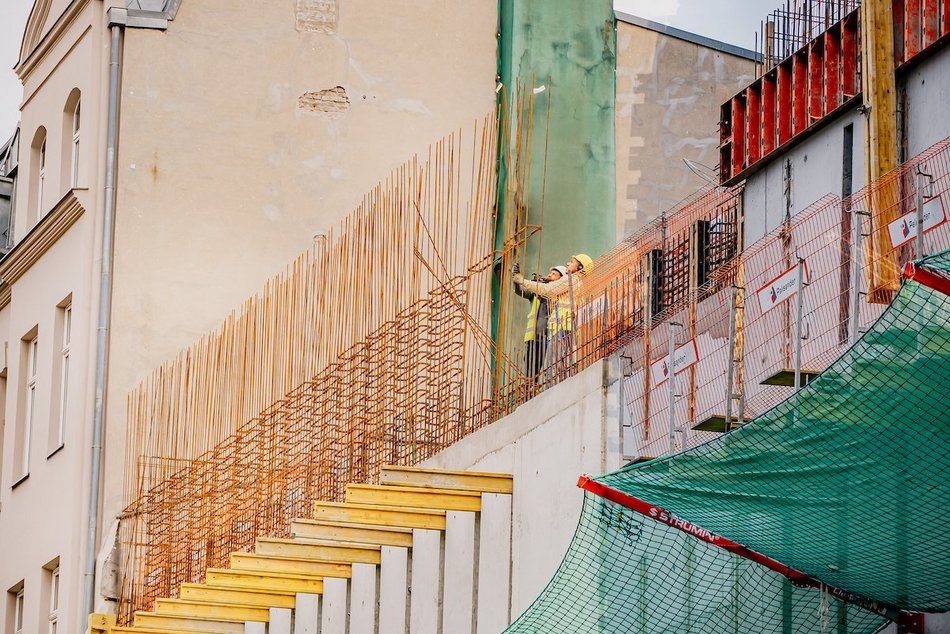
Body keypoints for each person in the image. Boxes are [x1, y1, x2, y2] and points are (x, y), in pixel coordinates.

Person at [512, 254, 594, 378]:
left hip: (561, 329)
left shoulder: (570, 279)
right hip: (563, 329)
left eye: (572, 262)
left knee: (552, 369)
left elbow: (548, 290)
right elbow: (547, 290)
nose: (568, 263)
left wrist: (523, 281)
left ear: (579, 267)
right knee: (557, 367)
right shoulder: (577, 283)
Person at [513, 264, 567, 380]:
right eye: (551, 273)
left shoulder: (560, 294)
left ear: (560, 279)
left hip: (551, 336)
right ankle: (529, 391)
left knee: (552, 366)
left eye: (554, 274)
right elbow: (520, 291)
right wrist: (516, 279)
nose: (550, 275)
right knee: (531, 369)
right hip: (535, 336)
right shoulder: (536, 290)